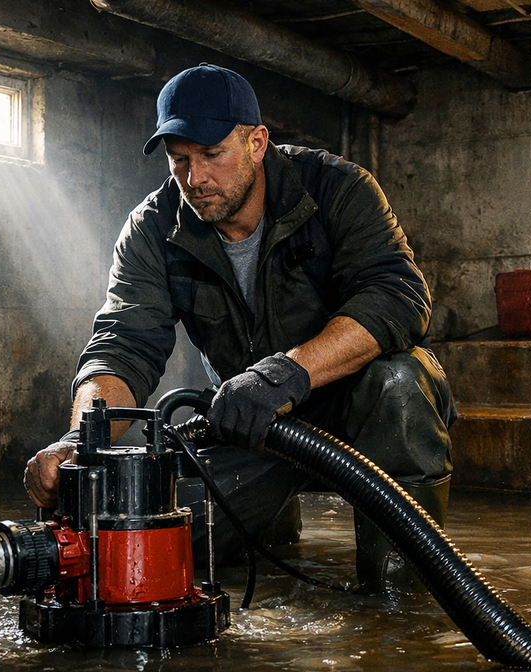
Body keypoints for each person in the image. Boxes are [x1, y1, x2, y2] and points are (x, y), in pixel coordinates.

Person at [23, 63, 454, 591]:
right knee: (152, 549)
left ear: (256, 142)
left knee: (400, 383)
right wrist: (78, 440)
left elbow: (397, 296)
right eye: (179, 160)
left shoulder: (337, 188)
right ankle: (269, 528)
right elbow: (123, 345)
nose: (195, 178)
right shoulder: (154, 227)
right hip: (249, 423)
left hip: (351, 406)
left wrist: (286, 375)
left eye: (211, 155)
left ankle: (402, 601)